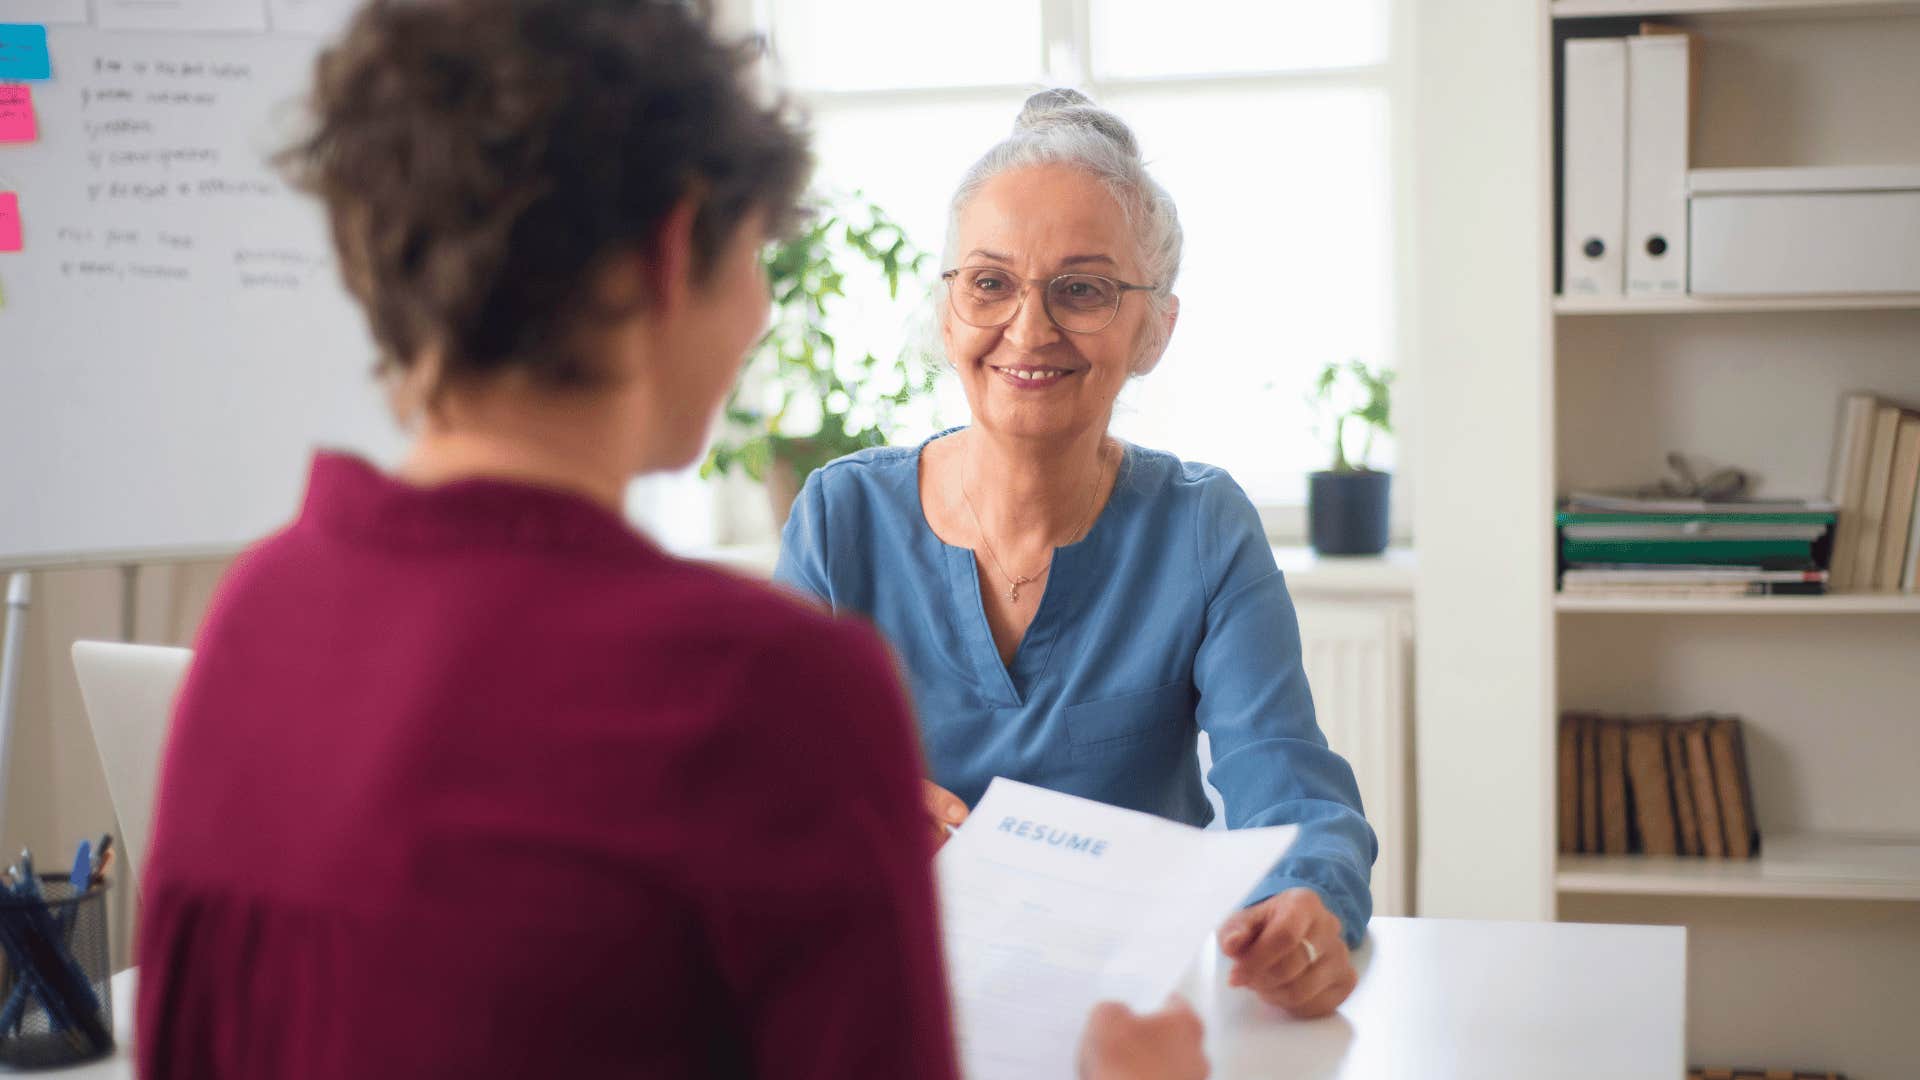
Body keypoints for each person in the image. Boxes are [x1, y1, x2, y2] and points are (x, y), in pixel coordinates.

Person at [135, 3, 1204, 1077]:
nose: (756, 313)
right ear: (672, 250)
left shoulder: (257, 619)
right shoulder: (767, 689)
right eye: (752, 255)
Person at [777, 88, 1378, 1019]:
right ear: (947, 313)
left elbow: (1287, 781)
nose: (1030, 327)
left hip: (1129, 1017)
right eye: (989, 283)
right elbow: (767, 790)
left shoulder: (1205, 527)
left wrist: (1310, 903)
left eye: (1083, 288)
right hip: (893, 1003)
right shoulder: (839, 517)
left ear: (1155, 331)